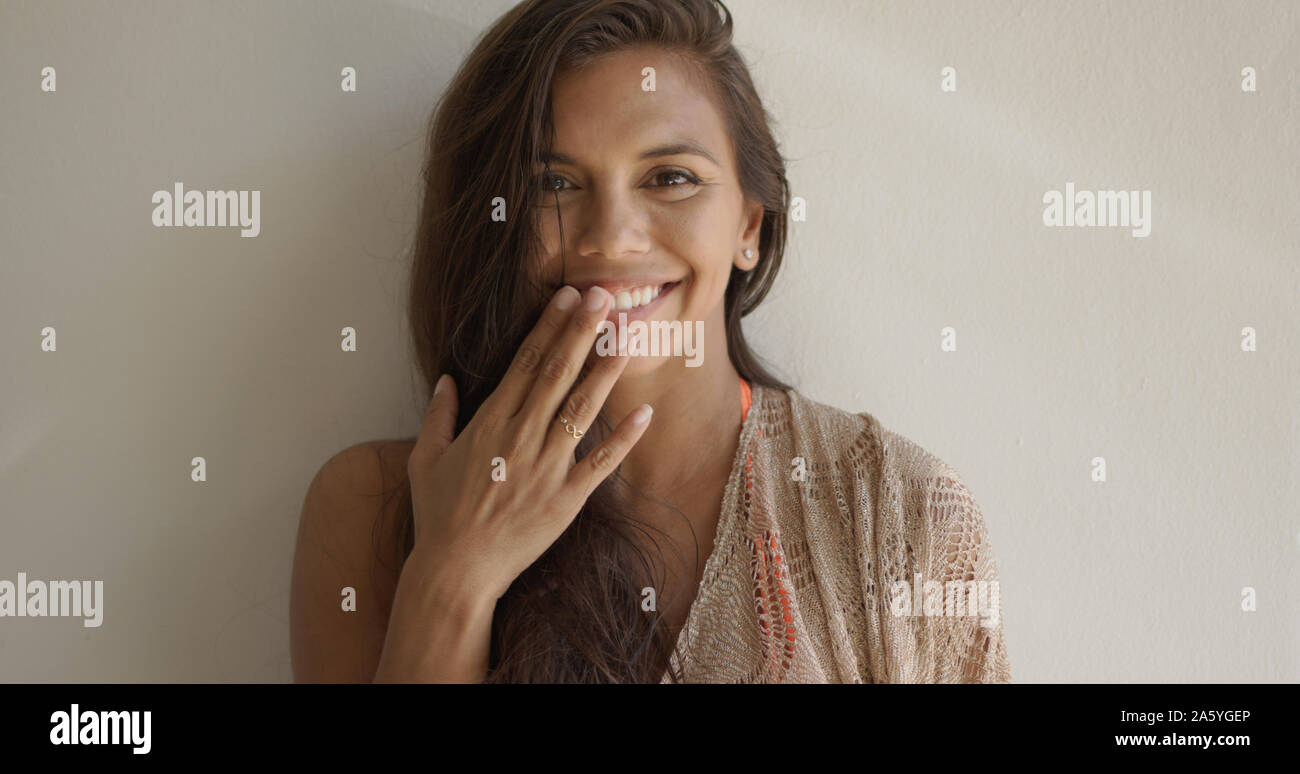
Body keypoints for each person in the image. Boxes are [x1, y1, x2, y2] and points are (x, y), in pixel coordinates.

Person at [290, 0, 1011, 683]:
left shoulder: (900, 514)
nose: (612, 235)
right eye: (553, 184)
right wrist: (453, 577)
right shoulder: (373, 511)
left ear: (749, 227)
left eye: (670, 177)